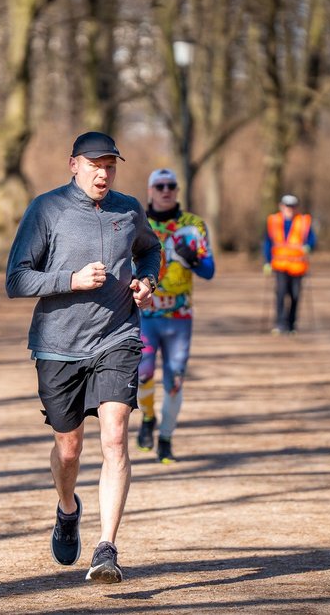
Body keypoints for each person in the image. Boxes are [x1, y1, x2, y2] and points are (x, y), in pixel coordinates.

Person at [5, 131, 161, 584]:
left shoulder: (129, 208)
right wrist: (69, 280)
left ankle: (107, 548)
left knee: (115, 438)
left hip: (118, 336)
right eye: (95, 164)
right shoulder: (47, 209)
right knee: (68, 449)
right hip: (58, 345)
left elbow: (149, 249)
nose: (103, 172)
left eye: (110, 164)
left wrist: (147, 282)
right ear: (73, 164)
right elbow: (16, 280)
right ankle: (68, 508)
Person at [136, 168, 215, 464]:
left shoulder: (193, 225)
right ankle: (147, 417)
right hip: (144, 316)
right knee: (142, 375)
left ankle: (166, 439)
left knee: (175, 379)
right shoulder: (137, 222)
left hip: (180, 317)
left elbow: (209, 271)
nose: (166, 190)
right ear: (150, 191)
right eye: (160, 186)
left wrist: (193, 258)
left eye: (171, 186)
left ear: (177, 191)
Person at [263, 194, 316, 335]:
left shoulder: (304, 221)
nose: (289, 209)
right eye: (287, 206)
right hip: (280, 265)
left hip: (298, 266)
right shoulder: (273, 221)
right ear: (281, 206)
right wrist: (267, 262)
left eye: (292, 206)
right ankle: (280, 323)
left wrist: (309, 246)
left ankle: (292, 323)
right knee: (280, 293)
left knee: (295, 295)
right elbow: (268, 242)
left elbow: (312, 238)